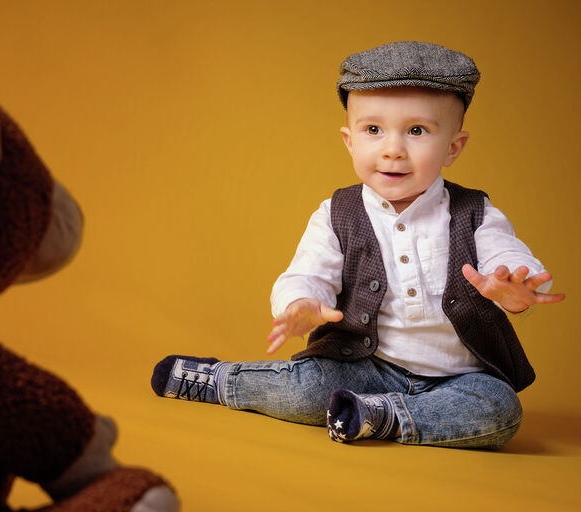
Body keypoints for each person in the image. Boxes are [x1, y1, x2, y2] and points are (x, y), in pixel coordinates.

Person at [150, 41, 565, 448]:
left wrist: (513, 285)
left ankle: (378, 416)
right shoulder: (337, 212)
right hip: (365, 366)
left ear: (453, 148)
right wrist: (301, 304)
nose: (392, 150)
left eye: (417, 131)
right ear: (350, 141)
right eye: (373, 130)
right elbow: (308, 273)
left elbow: (508, 257)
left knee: (499, 409)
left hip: (460, 376)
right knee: (306, 388)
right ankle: (221, 380)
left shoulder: (476, 211)